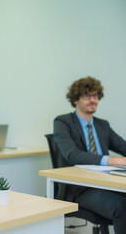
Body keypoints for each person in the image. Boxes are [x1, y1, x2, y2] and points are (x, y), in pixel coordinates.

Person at [53, 76, 126, 234]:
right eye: (86, 96)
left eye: (95, 96)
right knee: (122, 207)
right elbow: (72, 155)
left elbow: (123, 146)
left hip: (107, 183)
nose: (92, 100)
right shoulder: (63, 122)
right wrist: (113, 160)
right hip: (80, 189)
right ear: (75, 100)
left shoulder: (102, 125)